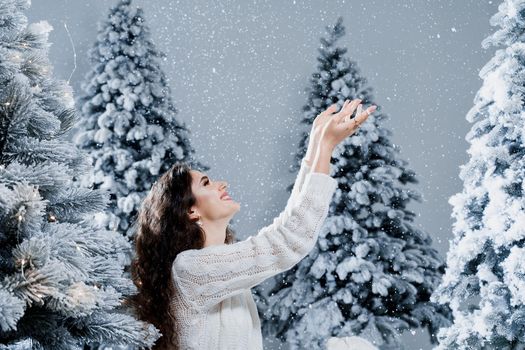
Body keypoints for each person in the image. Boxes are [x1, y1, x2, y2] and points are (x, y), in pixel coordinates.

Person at [128, 98, 376, 349]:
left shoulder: (221, 268)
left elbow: (284, 229)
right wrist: (325, 147)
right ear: (190, 210)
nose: (221, 183)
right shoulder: (190, 270)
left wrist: (315, 148)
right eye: (206, 183)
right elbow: (289, 240)